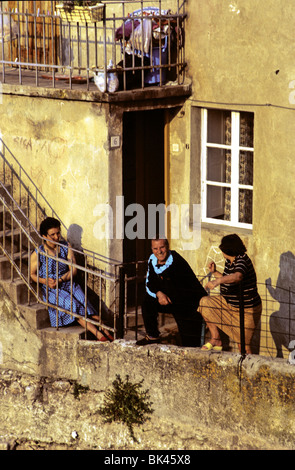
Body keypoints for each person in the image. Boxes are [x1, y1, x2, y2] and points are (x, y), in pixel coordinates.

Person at [30, 217, 113, 342]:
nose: (56, 237)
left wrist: (61, 280)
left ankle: (107, 330)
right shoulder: (38, 253)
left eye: (58, 233)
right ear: (44, 236)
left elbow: (73, 269)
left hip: (67, 282)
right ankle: (99, 335)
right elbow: (32, 274)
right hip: (52, 289)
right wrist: (45, 281)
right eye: (52, 235)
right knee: (73, 305)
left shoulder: (65, 246)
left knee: (84, 301)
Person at [136, 237, 207, 347]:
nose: (159, 251)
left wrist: (165, 295)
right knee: (147, 301)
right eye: (155, 248)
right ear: (152, 249)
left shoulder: (176, 262)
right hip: (169, 299)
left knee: (189, 341)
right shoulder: (152, 260)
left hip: (187, 301)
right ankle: (153, 336)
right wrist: (159, 293)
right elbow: (150, 282)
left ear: (167, 247)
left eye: (162, 247)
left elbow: (184, 288)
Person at [199, 234, 262, 354]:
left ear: (227, 250)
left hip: (246, 310)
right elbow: (228, 279)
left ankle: (247, 370)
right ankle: (216, 338)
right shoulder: (230, 261)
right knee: (204, 303)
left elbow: (237, 277)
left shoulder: (242, 260)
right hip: (229, 305)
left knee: (242, 345)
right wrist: (215, 272)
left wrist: (217, 281)